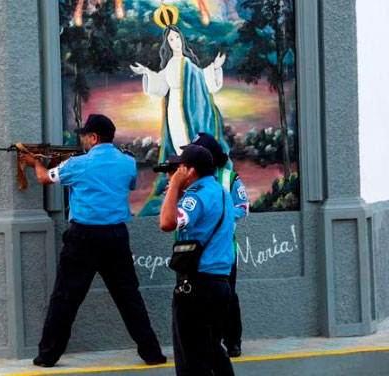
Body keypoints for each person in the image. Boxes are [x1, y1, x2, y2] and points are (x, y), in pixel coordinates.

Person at [22, 114, 166, 368]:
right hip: (116, 236)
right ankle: (152, 353)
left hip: (83, 237)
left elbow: (45, 178)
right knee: (129, 297)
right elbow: (130, 184)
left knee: (66, 297)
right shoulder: (128, 162)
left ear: (93, 137)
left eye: (85, 136)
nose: (83, 140)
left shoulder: (77, 164)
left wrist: (35, 162)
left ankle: (47, 355)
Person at [130, 21, 231, 216]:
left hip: (190, 112)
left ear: (181, 40)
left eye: (177, 38)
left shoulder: (188, 63)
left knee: (189, 144)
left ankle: (193, 181)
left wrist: (214, 68)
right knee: (178, 145)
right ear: (167, 43)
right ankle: (181, 183)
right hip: (174, 111)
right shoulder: (170, 64)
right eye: (171, 39)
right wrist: (146, 73)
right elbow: (161, 85)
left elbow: (202, 80)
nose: (175, 42)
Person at [160, 144, 236, 376]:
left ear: (190, 171)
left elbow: (167, 222)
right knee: (212, 350)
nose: (174, 173)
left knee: (191, 358)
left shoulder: (196, 197)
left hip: (197, 286)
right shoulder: (221, 191)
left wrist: (174, 187)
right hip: (220, 284)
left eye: (180, 168)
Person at [185, 133, 249, 358]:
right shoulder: (187, 178)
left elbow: (243, 207)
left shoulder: (230, 178)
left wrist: (219, 215)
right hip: (192, 253)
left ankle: (232, 341)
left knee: (228, 295)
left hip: (223, 250)